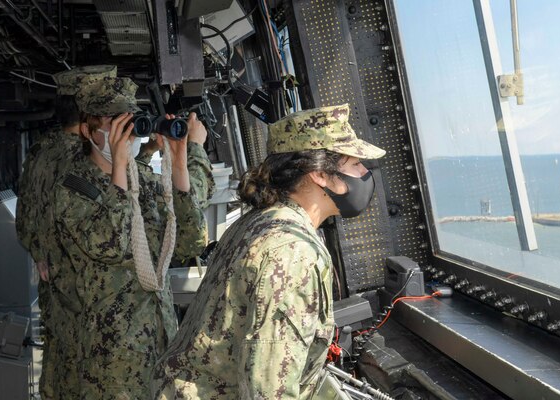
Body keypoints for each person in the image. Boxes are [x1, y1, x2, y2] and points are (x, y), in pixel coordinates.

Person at [151, 103, 386, 399]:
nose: (365, 173)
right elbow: (269, 390)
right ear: (319, 174)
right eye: (355, 164)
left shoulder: (261, 220)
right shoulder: (293, 252)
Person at [52, 76, 213, 399]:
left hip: (160, 344)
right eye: (114, 124)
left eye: (130, 123)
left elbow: (190, 243)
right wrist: (120, 171)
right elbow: (110, 244)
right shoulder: (73, 189)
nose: (125, 134)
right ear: (87, 131)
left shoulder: (148, 181)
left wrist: (179, 164)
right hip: (112, 360)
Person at [15, 65, 117, 399]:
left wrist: (41, 254)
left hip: (52, 283)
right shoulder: (86, 160)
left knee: (58, 366)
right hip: (86, 288)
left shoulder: (40, 152)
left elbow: (26, 219)